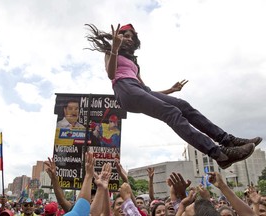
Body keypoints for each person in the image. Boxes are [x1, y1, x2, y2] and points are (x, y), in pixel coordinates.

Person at [85, 23, 262, 169]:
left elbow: (145, 90)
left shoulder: (134, 63)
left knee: (182, 105)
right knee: (171, 112)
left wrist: (170, 91)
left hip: (137, 90)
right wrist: (114, 48)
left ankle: (228, 141)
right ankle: (219, 153)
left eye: (132, 37)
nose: (128, 39)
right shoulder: (110, 52)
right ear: (117, 36)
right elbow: (110, 74)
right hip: (124, 90)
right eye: (125, 35)